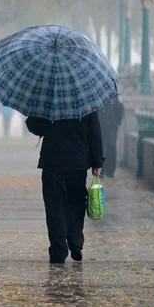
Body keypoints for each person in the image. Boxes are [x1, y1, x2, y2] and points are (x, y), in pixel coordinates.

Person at [26, 113, 104, 264]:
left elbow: (33, 126)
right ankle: (75, 243)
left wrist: (48, 119)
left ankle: (58, 249)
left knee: (54, 207)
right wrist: (97, 162)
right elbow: (94, 133)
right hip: (78, 162)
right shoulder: (86, 103)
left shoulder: (48, 102)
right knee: (76, 204)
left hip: (52, 162)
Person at [98, 98, 124, 178]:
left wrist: (116, 124)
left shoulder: (114, 99)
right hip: (101, 127)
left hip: (112, 128)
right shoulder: (99, 99)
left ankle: (110, 171)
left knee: (111, 147)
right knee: (102, 149)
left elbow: (120, 110)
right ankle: (102, 171)